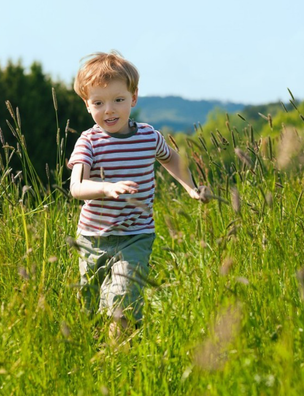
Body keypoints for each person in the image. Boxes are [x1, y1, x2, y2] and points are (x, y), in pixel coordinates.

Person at [68, 51, 209, 339]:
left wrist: (191, 188)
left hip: (136, 236)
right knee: (90, 308)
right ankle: (94, 359)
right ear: (87, 105)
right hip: (93, 238)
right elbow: (76, 187)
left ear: (133, 98)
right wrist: (107, 188)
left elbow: (172, 159)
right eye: (98, 103)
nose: (109, 110)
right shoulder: (89, 142)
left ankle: (117, 357)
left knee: (122, 301)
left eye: (118, 100)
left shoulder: (148, 137)